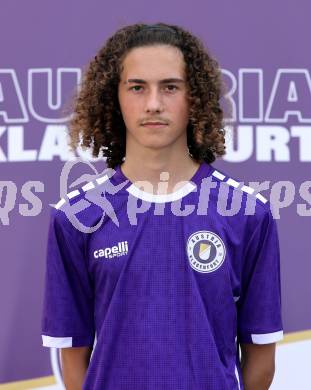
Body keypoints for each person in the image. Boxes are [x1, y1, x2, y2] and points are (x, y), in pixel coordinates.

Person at [41, 23, 283, 390]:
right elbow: (74, 356)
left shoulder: (248, 212)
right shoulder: (76, 216)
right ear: (114, 97)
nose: (153, 103)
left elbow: (261, 357)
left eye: (170, 87)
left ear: (195, 97)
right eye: (137, 87)